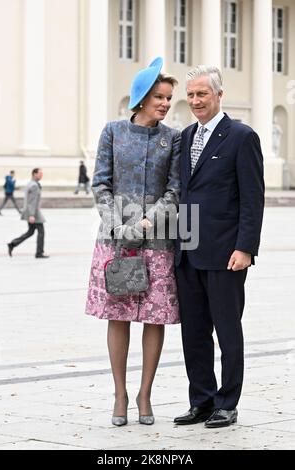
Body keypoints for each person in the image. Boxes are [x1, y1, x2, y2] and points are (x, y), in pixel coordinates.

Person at [85, 57, 181, 426]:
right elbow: (100, 184)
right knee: (119, 316)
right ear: (141, 98)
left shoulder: (171, 139)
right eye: (159, 96)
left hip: (157, 241)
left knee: (154, 317)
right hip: (116, 241)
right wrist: (120, 223)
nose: (165, 104)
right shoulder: (112, 132)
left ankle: (145, 394)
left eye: (169, 98)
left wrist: (146, 220)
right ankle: (120, 394)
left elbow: (174, 190)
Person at [174, 66, 264, 428]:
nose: (196, 101)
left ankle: (228, 403)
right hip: (188, 250)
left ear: (219, 95)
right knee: (193, 332)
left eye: (202, 95)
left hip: (227, 254)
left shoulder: (241, 136)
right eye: (191, 95)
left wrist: (246, 248)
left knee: (227, 330)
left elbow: (252, 198)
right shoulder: (184, 137)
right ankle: (202, 401)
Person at [7, 168, 49, 259]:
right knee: (41, 232)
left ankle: (13, 244)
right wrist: (31, 215)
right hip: (34, 213)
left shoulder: (31, 183)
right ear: (34, 174)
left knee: (30, 232)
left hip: (31, 212)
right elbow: (32, 202)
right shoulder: (34, 185)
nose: (41, 175)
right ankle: (39, 252)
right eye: (40, 174)